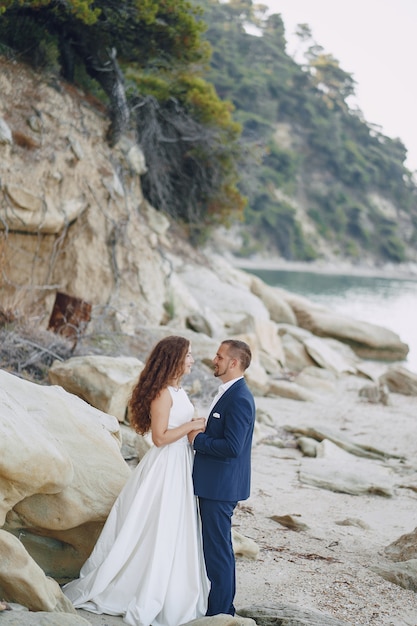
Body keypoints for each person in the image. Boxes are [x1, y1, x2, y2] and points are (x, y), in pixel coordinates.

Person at [63, 335, 209, 626]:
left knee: (175, 525)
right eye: (189, 355)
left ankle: (172, 585)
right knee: (155, 523)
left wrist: (194, 426)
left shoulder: (178, 391)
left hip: (181, 463)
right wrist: (192, 425)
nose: (193, 360)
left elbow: (176, 428)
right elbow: (159, 438)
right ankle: (137, 586)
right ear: (174, 359)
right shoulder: (163, 393)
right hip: (165, 465)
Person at [189, 339, 256, 617]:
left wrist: (198, 440)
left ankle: (221, 612)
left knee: (218, 550)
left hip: (220, 487)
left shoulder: (240, 397)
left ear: (233, 363)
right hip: (216, 484)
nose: (213, 359)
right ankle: (220, 606)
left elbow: (233, 447)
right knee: (216, 547)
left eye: (219, 356)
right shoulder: (230, 392)